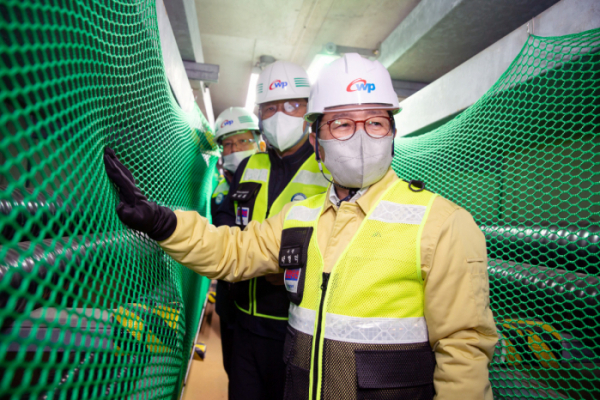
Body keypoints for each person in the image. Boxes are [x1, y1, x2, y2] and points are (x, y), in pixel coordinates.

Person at [104, 53, 497, 400]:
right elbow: (232, 251)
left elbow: (463, 351)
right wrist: (162, 222)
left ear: (392, 133)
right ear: (318, 139)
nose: (360, 137)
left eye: (375, 122)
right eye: (342, 124)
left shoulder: (444, 224)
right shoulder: (302, 216)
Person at [211, 61, 330, 400]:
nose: (281, 115)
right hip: (243, 319)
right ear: (260, 115)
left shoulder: (328, 169)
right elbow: (231, 226)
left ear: (311, 110)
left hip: (295, 326)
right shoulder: (252, 165)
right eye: (271, 108)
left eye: (293, 105)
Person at [211, 106, 262, 393]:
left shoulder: (271, 181)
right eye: (228, 143)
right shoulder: (220, 191)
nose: (235, 149)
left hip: (269, 301)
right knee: (238, 373)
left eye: (243, 141)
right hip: (231, 297)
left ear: (258, 142)